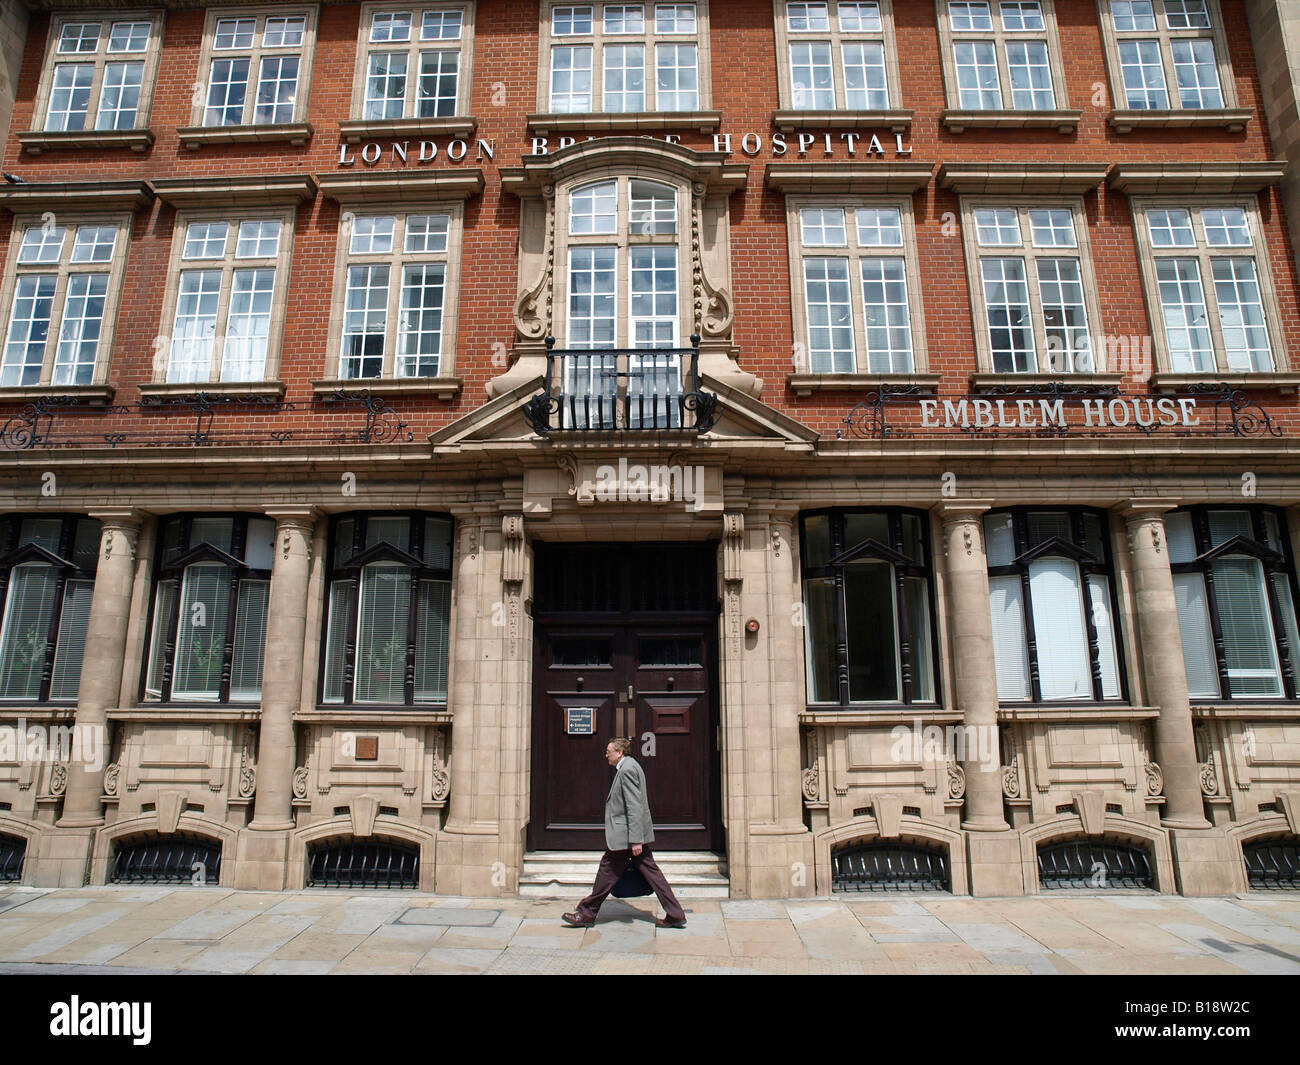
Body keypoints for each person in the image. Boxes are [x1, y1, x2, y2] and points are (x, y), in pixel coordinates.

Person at [562, 737, 687, 929]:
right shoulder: (630, 766)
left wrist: (636, 840)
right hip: (629, 835)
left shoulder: (627, 769)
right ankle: (675, 913)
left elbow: (634, 806)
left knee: (607, 871)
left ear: (619, 752)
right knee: (651, 873)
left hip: (626, 837)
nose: (606, 755)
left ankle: (587, 913)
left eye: (608, 751)